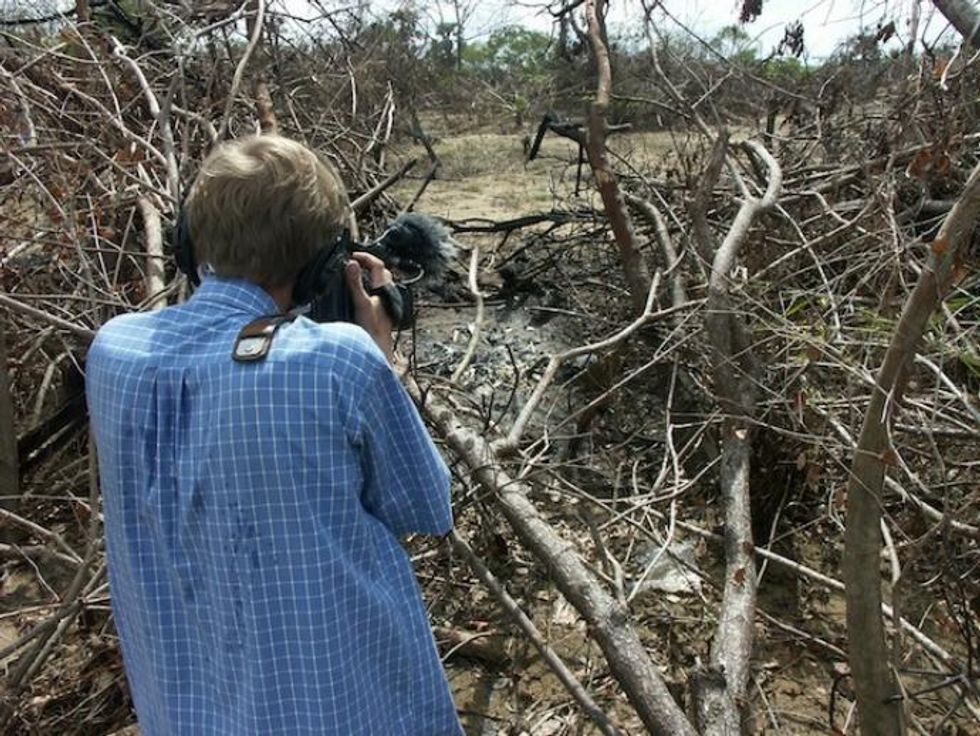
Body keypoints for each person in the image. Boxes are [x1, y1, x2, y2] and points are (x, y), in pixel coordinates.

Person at [85, 135, 462, 735]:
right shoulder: (340, 360)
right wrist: (382, 356)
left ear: (189, 242)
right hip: (331, 709)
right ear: (319, 265)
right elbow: (426, 505)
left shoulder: (113, 350)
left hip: (185, 707)